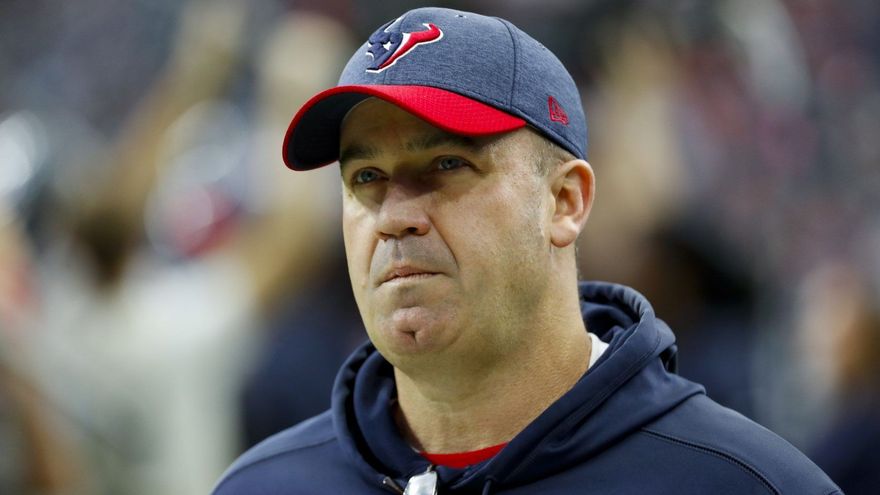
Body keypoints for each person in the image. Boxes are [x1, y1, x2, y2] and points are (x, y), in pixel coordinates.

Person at [213, 7, 841, 494]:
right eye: (366, 178)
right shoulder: (262, 486)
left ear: (565, 202)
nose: (394, 217)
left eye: (446, 164)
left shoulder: (745, 483)